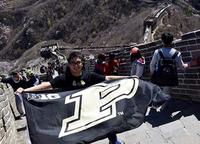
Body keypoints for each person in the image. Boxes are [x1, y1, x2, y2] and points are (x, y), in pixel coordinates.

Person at [16, 52, 132, 144]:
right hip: (72, 112)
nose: (76, 65)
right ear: (69, 64)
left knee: (107, 121)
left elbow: (107, 78)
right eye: (73, 63)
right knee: (79, 134)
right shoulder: (63, 78)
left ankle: (113, 140)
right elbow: (46, 85)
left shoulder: (89, 76)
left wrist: (128, 78)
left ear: (82, 63)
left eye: (78, 62)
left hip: (89, 108)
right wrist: (26, 90)